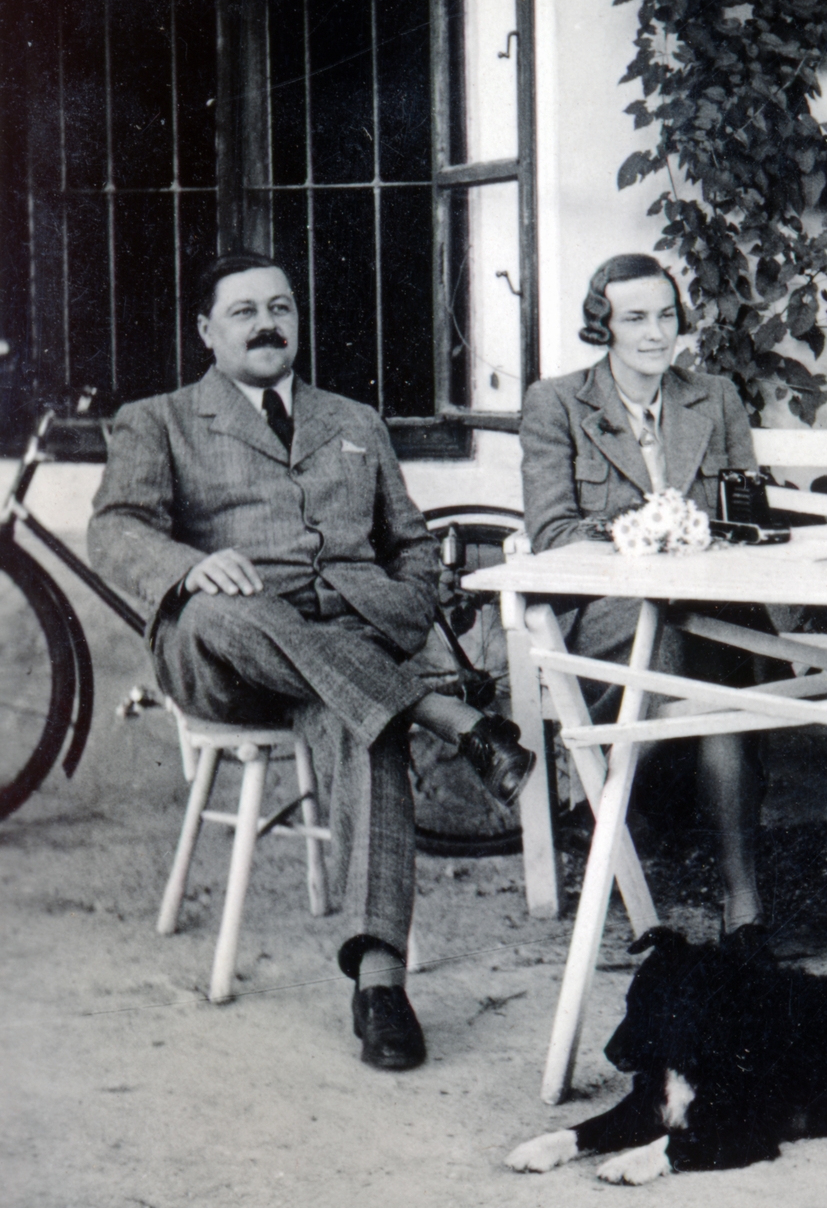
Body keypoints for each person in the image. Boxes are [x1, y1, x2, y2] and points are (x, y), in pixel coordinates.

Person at [89, 251, 534, 1073]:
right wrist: (188, 567)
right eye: (245, 311)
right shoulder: (159, 419)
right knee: (226, 607)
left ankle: (380, 986)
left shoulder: (354, 420)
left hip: (351, 657)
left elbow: (411, 544)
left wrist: (402, 601)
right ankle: (445, 714)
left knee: (362, 725)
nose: (268, 324)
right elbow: (114, 529)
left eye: (282, 307)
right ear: (205, 332)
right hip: (223, 653)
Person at [519, 254, 770, 941]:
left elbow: (748, 514)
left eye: (666, 315)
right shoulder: (558, 403)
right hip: (606, 617)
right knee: (666, 633)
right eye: (635, 318)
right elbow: (553, 531)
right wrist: (645, 538)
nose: (657, 334)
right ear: (604, 327)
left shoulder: (712, 397)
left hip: (708, 611)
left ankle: (735, 904)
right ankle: (732, 892)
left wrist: (714, 539)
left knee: (715, 685)